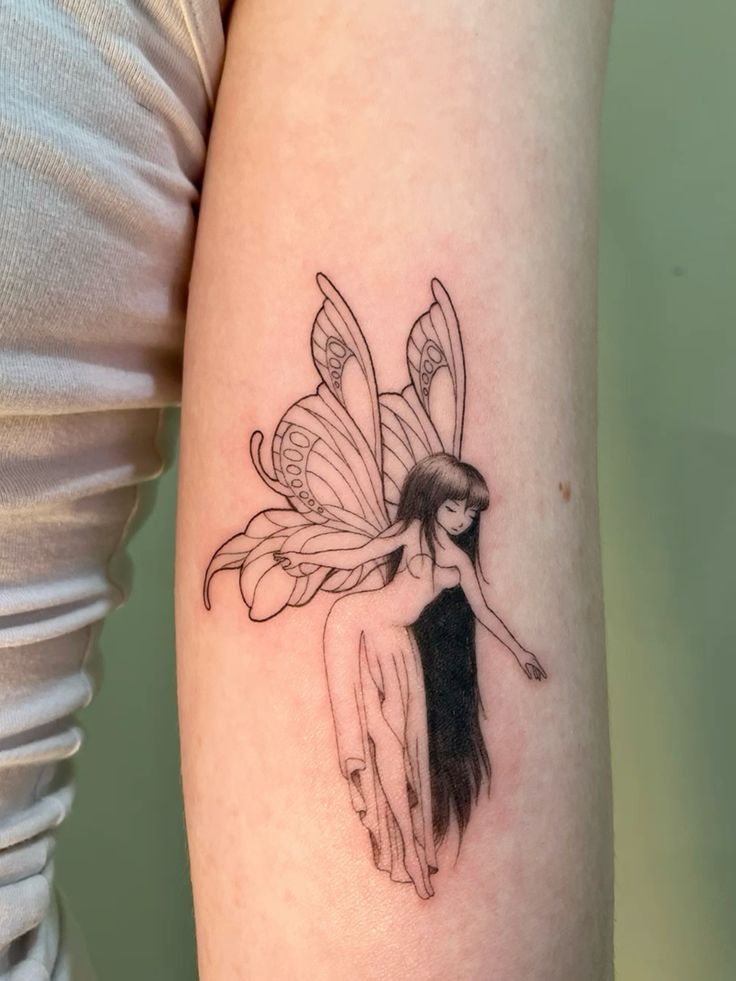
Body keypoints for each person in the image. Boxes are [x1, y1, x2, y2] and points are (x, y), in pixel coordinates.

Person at [1, 0, 614, 977]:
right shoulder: (403, 535)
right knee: (370, 765)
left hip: (381, 644)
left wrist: (523, 656)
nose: (469, 515)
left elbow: (488, 610)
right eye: (460, 503)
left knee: (401, 770)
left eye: (471, 508)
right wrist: (287, 553)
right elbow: (365, 555)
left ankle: (409, 848)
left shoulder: (448, 555)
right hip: (354, 635)